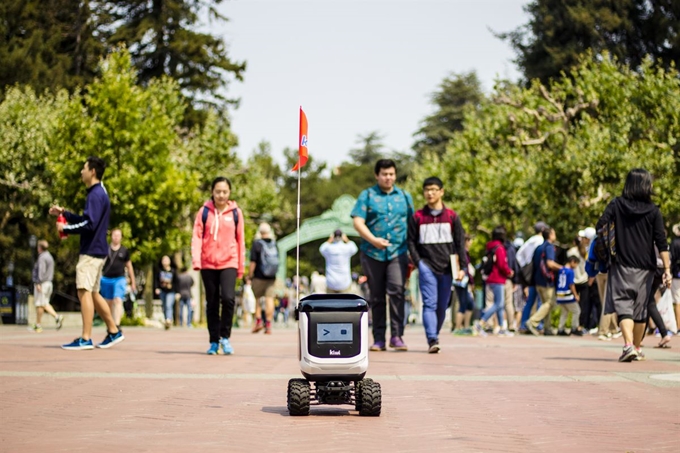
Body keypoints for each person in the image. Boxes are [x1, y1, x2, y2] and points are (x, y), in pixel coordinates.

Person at [596, 168, 670, 362]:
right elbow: (661, 242)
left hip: (621, 264)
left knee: (624, 306)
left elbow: (600, 225)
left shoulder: (617, 205)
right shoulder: (654, 211)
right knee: (640, 310)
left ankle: (629, 345)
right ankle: (636, 347)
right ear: (646, 186)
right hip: (646, 268)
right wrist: (668, 270)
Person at [50, 156, 123, 350]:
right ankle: (114, 331)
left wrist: (65, 229)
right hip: (98, 250)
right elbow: (87, 219)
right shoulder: (99, 193)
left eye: (84, 168)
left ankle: (86, 337)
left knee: (83, 291)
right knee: (93, 292)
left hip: (91, 252)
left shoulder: (96, 194)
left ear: (92, 172)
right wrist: (64, 213)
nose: (81, 172)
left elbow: (89, 224)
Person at [352, 159, 414, 351]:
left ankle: (397, 336)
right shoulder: (367, 195)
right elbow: (358, 222)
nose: (388, 178)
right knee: (376, 296)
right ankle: (378, 338)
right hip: (372, 253)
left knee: (397, 292)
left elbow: (413, 224)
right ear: (377, 175)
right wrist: (373, 240)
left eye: (391, 174)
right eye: (384, 174)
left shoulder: (404, 196)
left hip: (398, 252)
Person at [407, 176, 466, 353]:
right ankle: (432, 338)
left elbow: (460, 242)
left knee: (442, 305)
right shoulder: (417, 216)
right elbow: (411, 242)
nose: (430, 193)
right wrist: (419, 263)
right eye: (427, 190)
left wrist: (463, 267)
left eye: (434, 189)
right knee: (430, 304)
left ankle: (435, 334)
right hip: (426, 266)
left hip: (447, 267)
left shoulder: (452, 216)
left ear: (441, 192)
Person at [192, 176, 245, 354]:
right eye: (218, 191)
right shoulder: (204, 212)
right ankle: (214, 341)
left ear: (229, 193)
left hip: (229, 261)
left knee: (229, 299)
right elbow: (197, 236)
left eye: (224, 191)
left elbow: (241, 240)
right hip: (207, 263)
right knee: (212, 303)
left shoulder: (236, 213)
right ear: (212, 192)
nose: (221, 195)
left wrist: (241, 266)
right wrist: (196, 260)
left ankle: (225, 337)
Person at [474, 226, 514, 337]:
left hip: (489, 279)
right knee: (498, 303)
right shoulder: (500, 248)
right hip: (498, 279)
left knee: (499, 305)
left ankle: (501, 328)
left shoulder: (490, 247)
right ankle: (480, 323)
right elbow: (502, 265)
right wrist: (509, 271)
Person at [526, 227, 563, 336]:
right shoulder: (549, 247)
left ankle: (547, 328)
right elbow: (550, 263)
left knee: (545, 304)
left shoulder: (538, 247)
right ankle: (532, 322)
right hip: (547, 281)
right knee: (549, 303)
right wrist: (562, 268)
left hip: (538, 280)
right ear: (550, 235)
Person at [100, 228, 137, 328]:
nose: (116, 237)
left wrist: (133, 282)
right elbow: (100, 263)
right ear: (111, 236)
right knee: (108, 303)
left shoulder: (124, 251)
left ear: (121, 237)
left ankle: (117, 324)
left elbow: (129, 266)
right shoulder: (105, 249)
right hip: (106, 279)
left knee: (118, 299)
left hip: (119, 279)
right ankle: (110, 323)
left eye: (118, 235)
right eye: (114, 235)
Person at [517, 222, 548, 332]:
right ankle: (538, 325)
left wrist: (525, 267)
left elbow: (519, 256)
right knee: (541, 300)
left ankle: (523, 325)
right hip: (538, 273)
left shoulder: (529, 241)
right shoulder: (541, 242)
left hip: (530, 274)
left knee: (530, 301)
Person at [249, 222, 279, 335]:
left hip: (259, 276)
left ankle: (258, 322)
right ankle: (269, 324)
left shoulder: (257, 244)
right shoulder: (274, 243)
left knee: (257, 299)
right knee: (269, 299)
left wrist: (250, 274)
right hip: (271, 276)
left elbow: (253, 261)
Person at [30, 240, 63, 332]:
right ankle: (52, 319)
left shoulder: (42, 258)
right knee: (44, 303)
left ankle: (39, 325)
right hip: (49, 282)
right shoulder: (49, 256)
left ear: (39, 248)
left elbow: (41, 271)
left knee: (40, 304)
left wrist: (38, 282)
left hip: (43, 283)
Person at [452, 235, 475, 335]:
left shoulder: (462, 252)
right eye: (470, 241)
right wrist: (472, 281)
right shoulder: (462, 252)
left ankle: (466, 326)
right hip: (461, 281)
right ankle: (458, 328)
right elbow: (465, 268)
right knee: (463, 304)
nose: (471, 243)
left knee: (469, 304)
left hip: (462, 281)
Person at [556, 254, 583, 335]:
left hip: (559, 294)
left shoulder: (561, 270)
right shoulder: (570, 271)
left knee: (564, 312)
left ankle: (560, 328)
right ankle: (574, 327)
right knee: (577, 311)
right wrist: (576, 295)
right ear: (572, 262)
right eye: (576, 264)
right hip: (567, 295)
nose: (576, 266)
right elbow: (571, 284)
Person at [155, 255, 177, 330]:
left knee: (168, 305)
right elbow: (156, 280)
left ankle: (168, 319)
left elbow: (176, 282)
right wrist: (157, 288)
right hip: (162, 291)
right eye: (163, 260)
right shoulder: (159, 270)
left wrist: (177, 291)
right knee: (164, 306)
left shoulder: (173, 271)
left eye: (166, 260)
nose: (164, 262)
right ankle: (166, 320)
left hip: (171, 291)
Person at [670, 223, 680, 339]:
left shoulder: (675, 242)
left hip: (677, 274)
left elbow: (671, 258)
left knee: (677, 301)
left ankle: (678, 326)